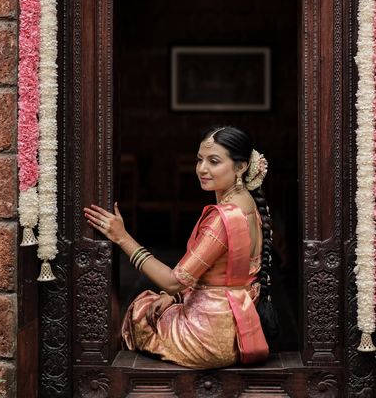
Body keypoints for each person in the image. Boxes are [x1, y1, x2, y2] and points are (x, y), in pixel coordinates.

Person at [84, 126, 276, 369]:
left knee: (141, 309)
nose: (202, 169)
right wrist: (175, 297)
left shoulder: (223, 218)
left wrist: (122, 238)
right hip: (241, 333)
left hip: (207, 338)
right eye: (199, 160)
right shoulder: (251, 206)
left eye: (213, 161)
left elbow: (174, 281)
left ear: (241, 167)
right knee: (162, 301)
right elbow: (222, 278)